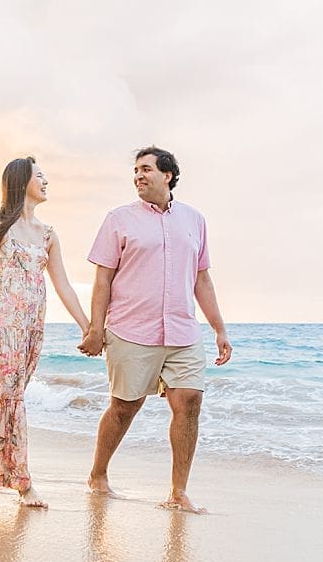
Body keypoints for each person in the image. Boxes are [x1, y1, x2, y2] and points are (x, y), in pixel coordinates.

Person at [78, 147, 231, 513]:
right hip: (131, 330)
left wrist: (219, 329)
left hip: (183, 331)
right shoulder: (118, 219)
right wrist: (96, 329)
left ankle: (178, 492)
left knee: (189, 402)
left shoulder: (195, 220)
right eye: (135, 171)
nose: (138, 176)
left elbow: (202, 279)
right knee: (125, 407)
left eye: (145, 169)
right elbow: (103, 279)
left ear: (168, 175)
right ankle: (98, 474)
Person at [0, 156, 90, 508]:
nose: (46, 181)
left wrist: (86, 325)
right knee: (8, 398)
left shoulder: (49, 235)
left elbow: (62, 283)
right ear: (21, 182)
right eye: (39, 176)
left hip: (32, 326)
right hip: (0, 322)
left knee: (2, 396)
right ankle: (22, 483)